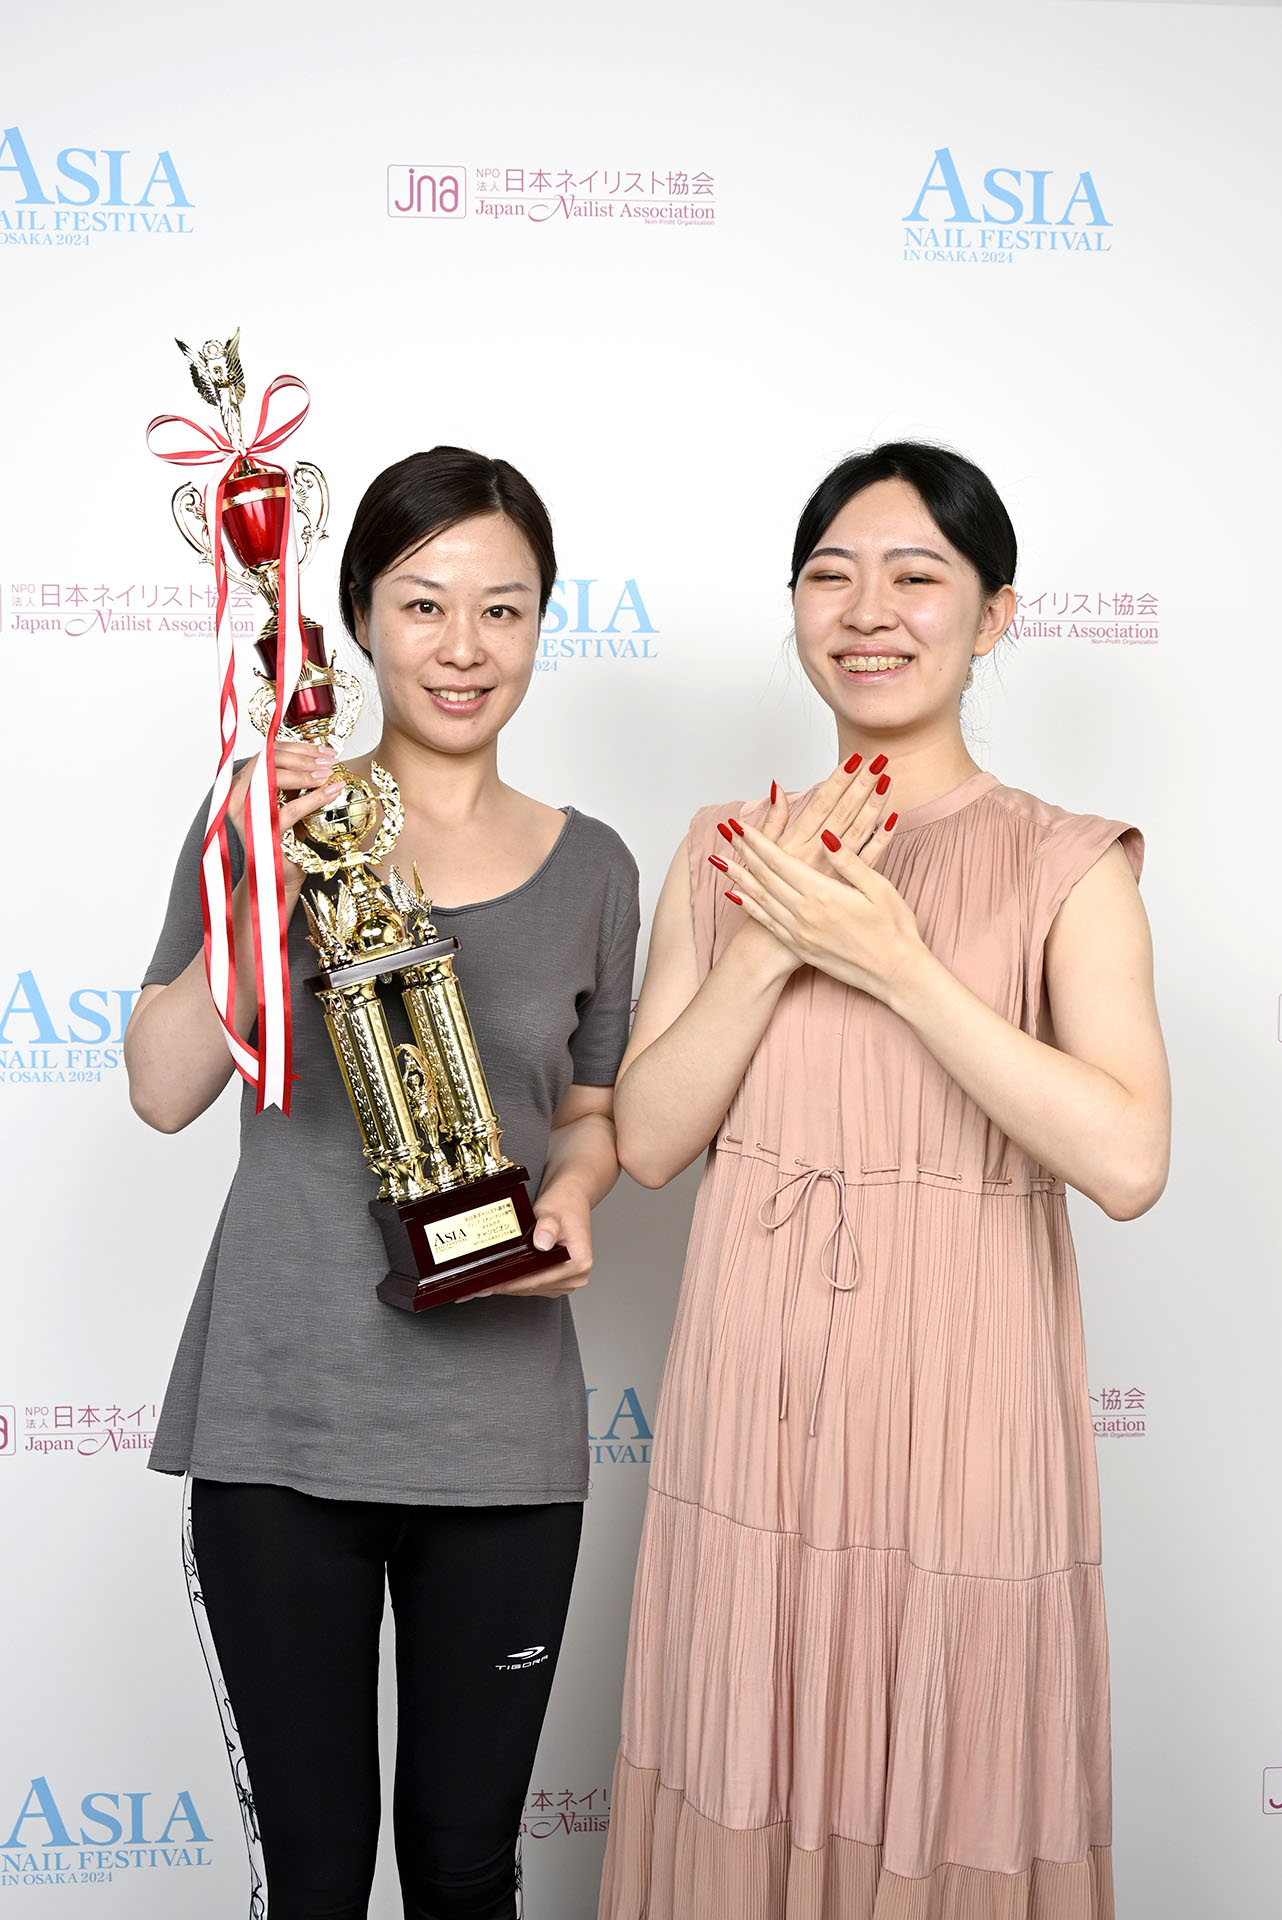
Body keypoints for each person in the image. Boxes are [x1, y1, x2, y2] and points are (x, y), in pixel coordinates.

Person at [598, 442, 1169, 1920]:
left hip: (965, 1397)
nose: (868, 612)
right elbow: (647, 1140)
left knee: (951, 1747)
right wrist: (775, 940)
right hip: (755, 1391)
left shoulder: (1067, 863)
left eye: (917, 576)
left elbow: (1126, 1160)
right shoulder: (722, 851)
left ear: (993, 617)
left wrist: (897, 964)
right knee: (746, 1737)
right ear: (795, 607)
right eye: (830, 576)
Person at [125, 446, 640, 1920]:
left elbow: (593, 1110)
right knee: (315, 1874)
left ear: (541, 624)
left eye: (503, 609)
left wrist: (575, 1196)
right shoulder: (264, 814)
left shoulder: (596, 867)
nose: (463, 647)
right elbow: (162, 1087)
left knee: (468, 1865)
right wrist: (276, 871)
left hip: (502, 1443)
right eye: (423, 605)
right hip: (281, 1423)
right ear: (354, 618)